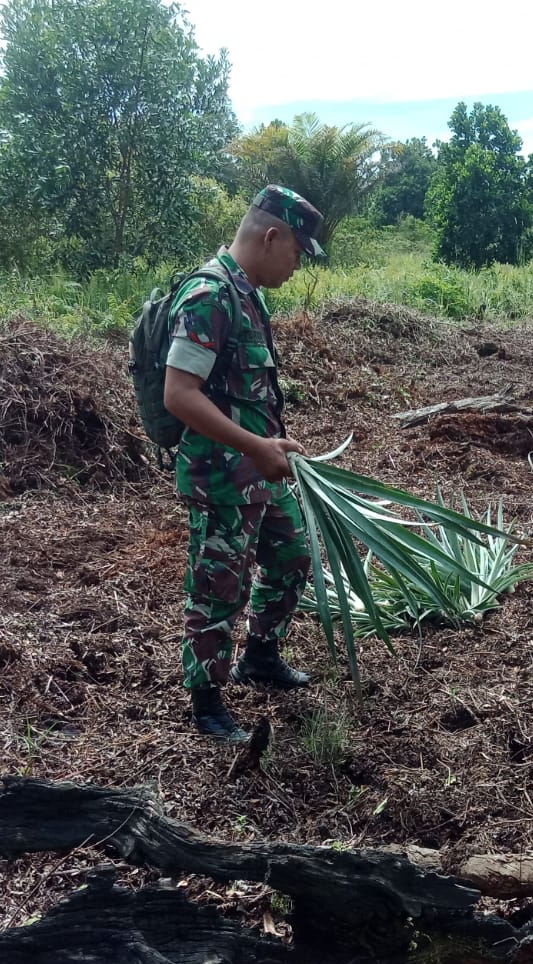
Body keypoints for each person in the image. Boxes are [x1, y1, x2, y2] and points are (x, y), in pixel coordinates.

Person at [163, 185, 326, 743]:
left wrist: (270, 442)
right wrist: (256, 447)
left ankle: (260, 655)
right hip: (222, 478)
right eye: (297, 253)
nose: (297, 264)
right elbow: (179, 394)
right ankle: (205, 702)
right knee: (217, 590)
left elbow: (243, 392)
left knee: (293, 554)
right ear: (271, 236)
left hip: (259, 472)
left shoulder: (248, 294)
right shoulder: (209, 295)